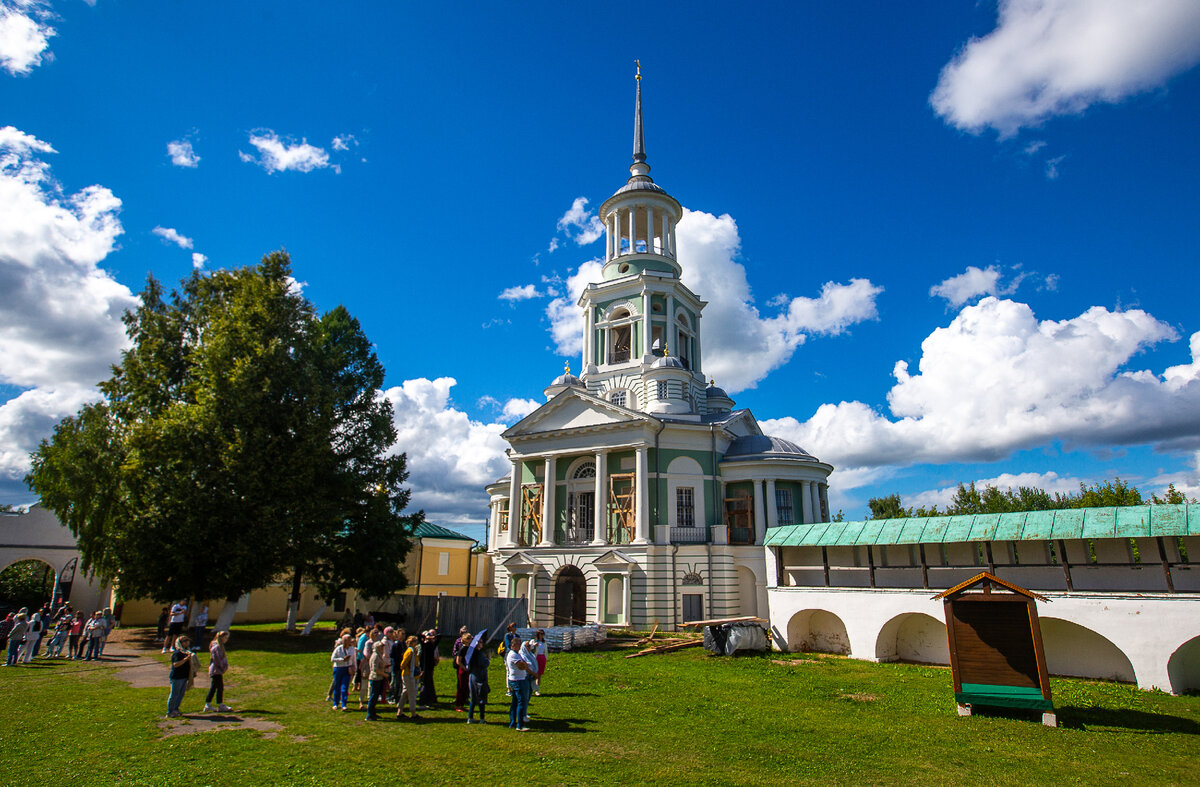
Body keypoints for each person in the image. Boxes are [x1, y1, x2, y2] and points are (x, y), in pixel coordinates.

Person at [505, 633, 533, 731]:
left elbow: (524, 664)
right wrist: (525, 665)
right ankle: (519, 725)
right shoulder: (513, 654)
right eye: (517, 644)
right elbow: (521, 666)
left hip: (519, 679)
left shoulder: (517, 654)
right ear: (512, 645)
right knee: (521, 701)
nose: (519, 645)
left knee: (515, 702)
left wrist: (525, 665)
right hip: (517, 680)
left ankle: (513, 722)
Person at [166, 635, 195, 717]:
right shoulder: (177, 653)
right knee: (174, 695)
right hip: (177, 677)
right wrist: (186, 659)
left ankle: (176, 709)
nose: (187, 642)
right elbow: (175, 664)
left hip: (184, 676)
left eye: (187, 640)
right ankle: (170, 711)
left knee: (181, 694)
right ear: (180, 643)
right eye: (184, 641)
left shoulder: (187, 652)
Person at [205, 631, 233, 712]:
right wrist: (223, 667)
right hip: (216, 670)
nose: (226, 640)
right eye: (225, 638)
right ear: (221, 637)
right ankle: (219, 704)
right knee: (219, 687)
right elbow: (217, 659)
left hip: (217, 670)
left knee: (214, 687)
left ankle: (208, 703)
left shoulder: (219, 646)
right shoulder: (216, 647)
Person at [394, 635, 420, 721]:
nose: (417, 643)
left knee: (405, 693)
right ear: (412, 643)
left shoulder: (413, 651)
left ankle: (399, 711)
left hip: (408, 674)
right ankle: (413, 712)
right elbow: (403, 664)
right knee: (412, 694)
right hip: (409, 675)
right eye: (415, 641)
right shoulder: (410, 651)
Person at [466, 635, 490, 724]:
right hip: (479, 676)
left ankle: (470, 717)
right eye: (480, 642)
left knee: (473, 698)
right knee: (481, 698)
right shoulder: (478, 654)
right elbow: (483, 664)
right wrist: (488, 659)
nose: (482, 643)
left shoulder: (471, 653)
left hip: (472, 676)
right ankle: (482, 719)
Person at [329, 633, 355, 712]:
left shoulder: (352, 649)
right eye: (346, 640)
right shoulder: (338, 649)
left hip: (347, 669)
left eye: (349, 640)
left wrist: (354, 668)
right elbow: (332, 659)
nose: (348, 642)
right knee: (337, 685)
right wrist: (342, 659)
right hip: (338, 668)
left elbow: (353, 660)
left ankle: (344, 704)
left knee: (345, 687)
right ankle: (335, 703)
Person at [365, 639, 389, 721]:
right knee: (373, 696)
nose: (382, 648)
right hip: (375, 678)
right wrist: (384, 674)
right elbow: (375, 669)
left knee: (375, 697)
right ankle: (369, 715)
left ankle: (373, 713)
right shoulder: (375, 656)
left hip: (379, 678)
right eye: (381, 647)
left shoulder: (379, 655)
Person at [417, 629, 440, 708]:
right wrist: (425, 637)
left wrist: (433, 637)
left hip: (430, 667)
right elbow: (419, 636)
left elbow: (439, 637)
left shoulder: (432, 645)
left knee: (429, 684)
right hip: (424, 667)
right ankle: (422, 701)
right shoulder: (424, 645)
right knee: (424, 684)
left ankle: (428, 700)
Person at [452, 626, 471, 711]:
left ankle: (462, 704)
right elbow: (458, 661)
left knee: (465, 687)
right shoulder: (462, 649)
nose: (471, 640)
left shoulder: (468, 648)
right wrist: (464, 668)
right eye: (469, 638)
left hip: (466, 669)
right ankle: (458, 705)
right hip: (462, 669)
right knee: (461, 687)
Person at [533, 629, 548, 696]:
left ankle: (537, 689)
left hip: (542, 658)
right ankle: (532, 687)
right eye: (540, 634)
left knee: (539, 674)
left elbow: (546, 651)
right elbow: (530, 648)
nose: (542, 635)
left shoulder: (544, 643)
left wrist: (545, 658)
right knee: (534, 673)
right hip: (536, 658)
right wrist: (534, 645)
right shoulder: (534, 641)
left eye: (543, 634)